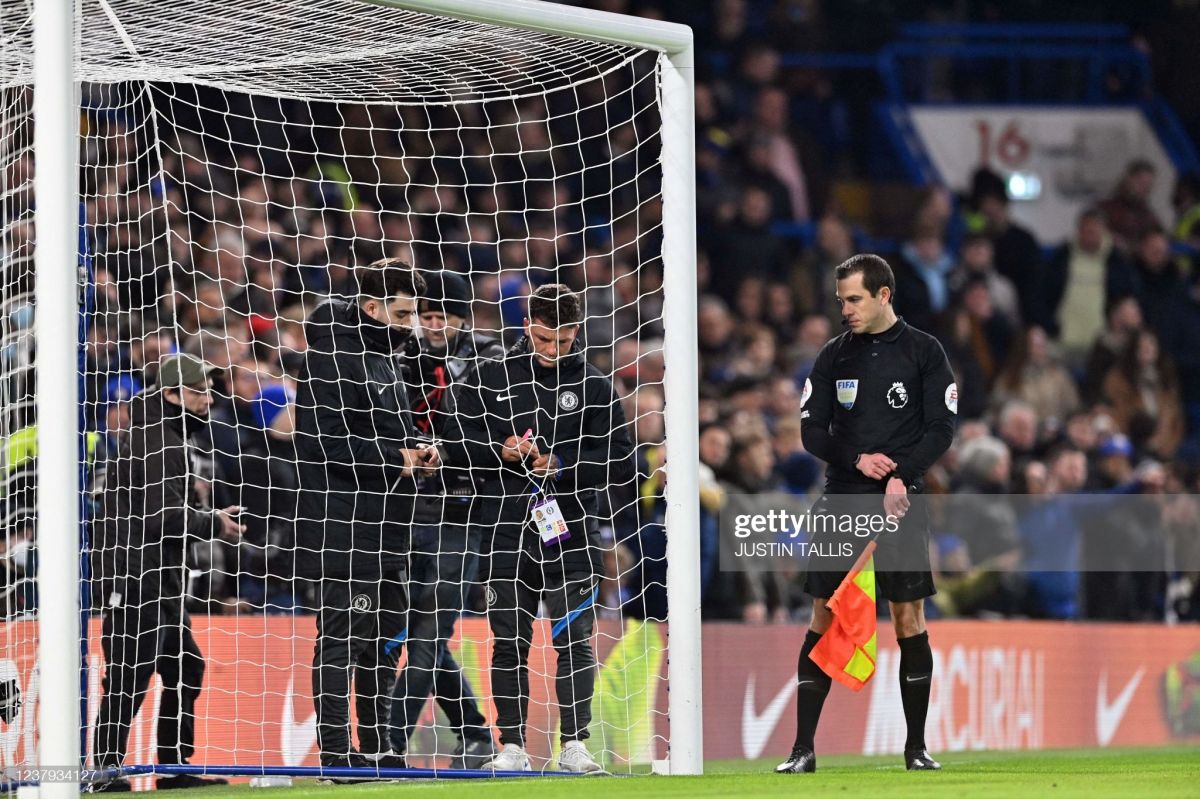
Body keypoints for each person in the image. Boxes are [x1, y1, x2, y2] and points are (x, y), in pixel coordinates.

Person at [778, 254, 956, 774]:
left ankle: (916, 747)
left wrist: (903, 475)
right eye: (841, 301)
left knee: (908, 618)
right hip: (842, 500)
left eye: (854, 299)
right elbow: (812, 431)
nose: (846, 310)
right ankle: (802, 749)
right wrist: (855, 458)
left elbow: (941, 428)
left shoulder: (925, 352)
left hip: (901, 502)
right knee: (823, 614)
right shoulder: (834, 357)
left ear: (884, 295)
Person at [449, 284, 634, 773]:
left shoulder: (595, 386)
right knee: (509, 639)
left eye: (564, 339)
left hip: (569, 530)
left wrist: (561, 465)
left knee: (574, 640)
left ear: (578, 331)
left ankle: (574, 744)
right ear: (528, 325)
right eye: (546, 337)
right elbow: (454, 441)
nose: (554, 349)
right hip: (506, 528)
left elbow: (618, 461)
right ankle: (511, 746)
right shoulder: (490, 377)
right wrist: (499, 452)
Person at [293, 258, 436, 770]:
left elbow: (392, 431)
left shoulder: (388, 358)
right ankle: (335, 754)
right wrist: (395, 458)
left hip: (390, 523)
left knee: (385, 639)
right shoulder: (332, 356)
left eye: (413, 314)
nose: (411, 325)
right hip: (344, 524)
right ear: (372, 308)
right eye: (402, 315)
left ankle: (378, 747)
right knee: (342, 641)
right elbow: (325, 443)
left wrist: (419, 447)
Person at [91, 353, 245, 791]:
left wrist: (207, 514)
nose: (208, 398)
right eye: (199, 390)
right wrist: (214, 522)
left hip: (157, 574)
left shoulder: (164, 433)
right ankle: (105, 772)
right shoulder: (160, 439)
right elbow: (162, 518)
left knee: (185, 665)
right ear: (173, 393)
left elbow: (162, 512)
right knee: (129, 675)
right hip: (138, 575)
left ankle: (175, 767)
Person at [388, 270, 502, 767]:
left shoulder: (489, 364)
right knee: (419, 625)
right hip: (408, 504)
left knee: (429, 628)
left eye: (443, 317)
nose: (433, 326)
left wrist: (448, 452)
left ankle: (388, 744)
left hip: (462, 509)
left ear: (461, 319)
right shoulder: (398, 359)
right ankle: (475, 734)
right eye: (425, 316)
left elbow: (496, 437)